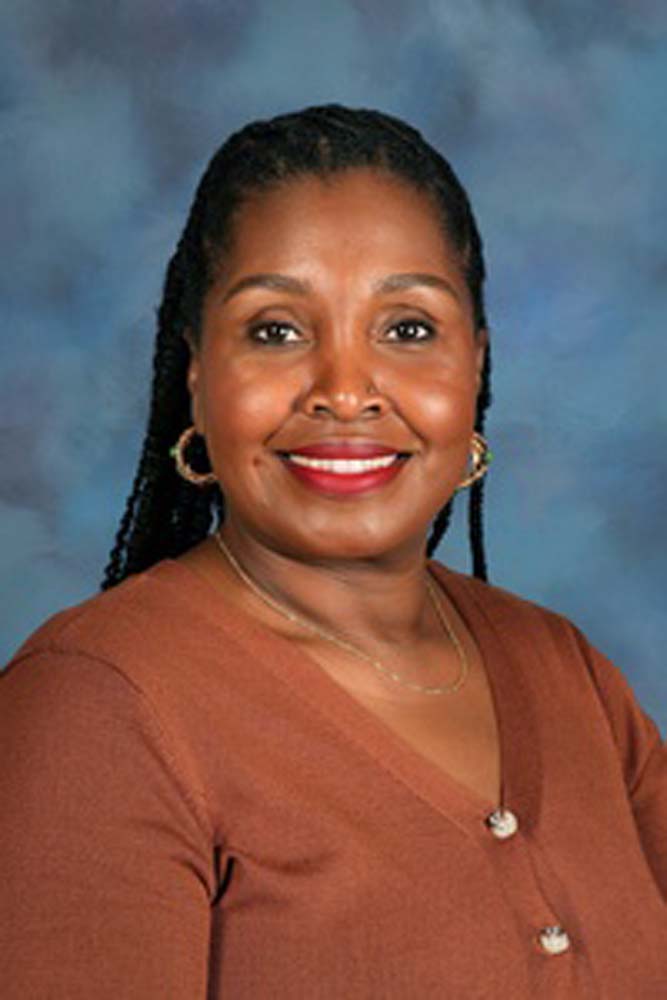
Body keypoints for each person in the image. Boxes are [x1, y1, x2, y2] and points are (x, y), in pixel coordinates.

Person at [1, 104, 665, 999]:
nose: (345, 392)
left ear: (475, 364)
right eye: (275, 330)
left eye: (408, 328)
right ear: (196, 373)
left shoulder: (567, 673)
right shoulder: (99, 707)